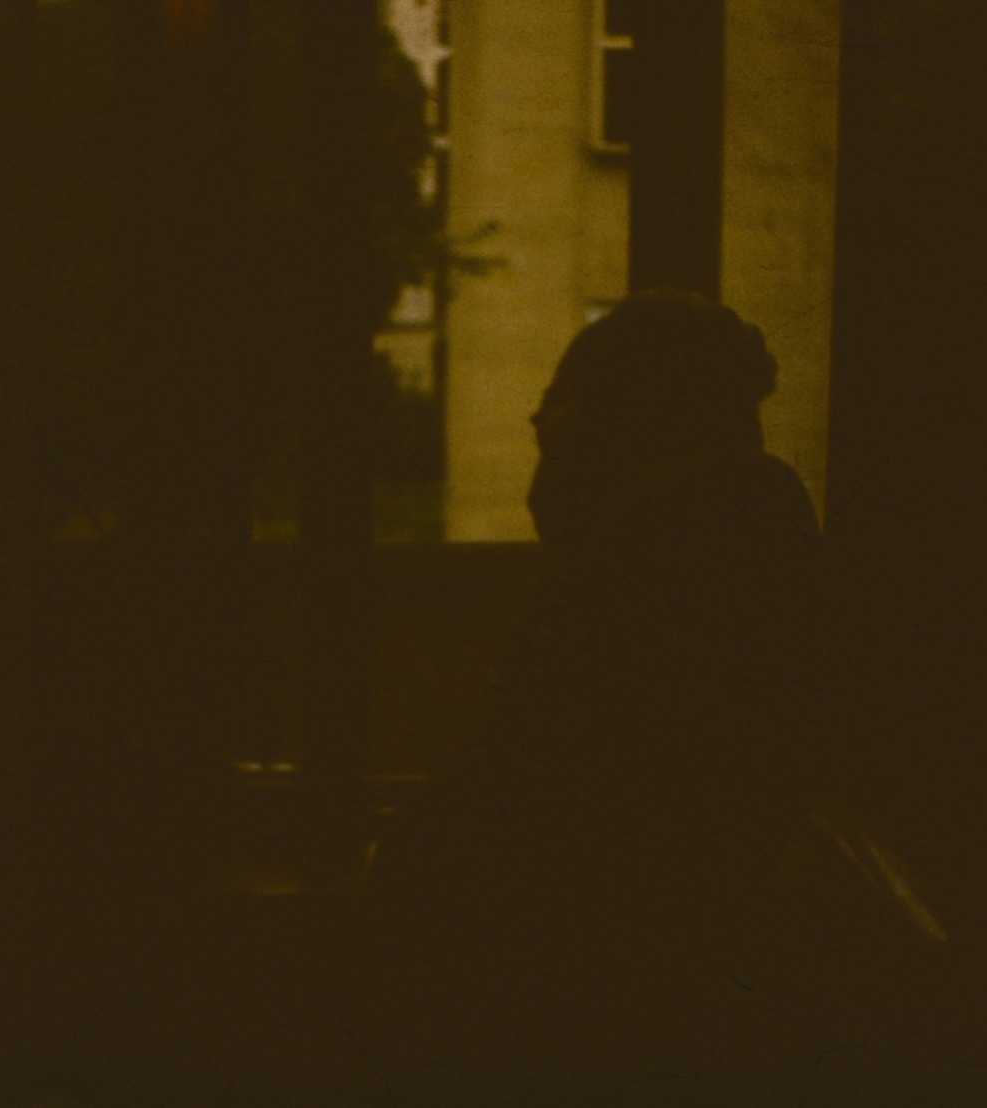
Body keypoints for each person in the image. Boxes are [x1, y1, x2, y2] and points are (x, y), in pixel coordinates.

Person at [353, 290, 846, 1100]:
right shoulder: (707, 530)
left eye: (558, 420)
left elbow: (550, 799)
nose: (544, 447)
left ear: (628, 423)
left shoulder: (671, 553)